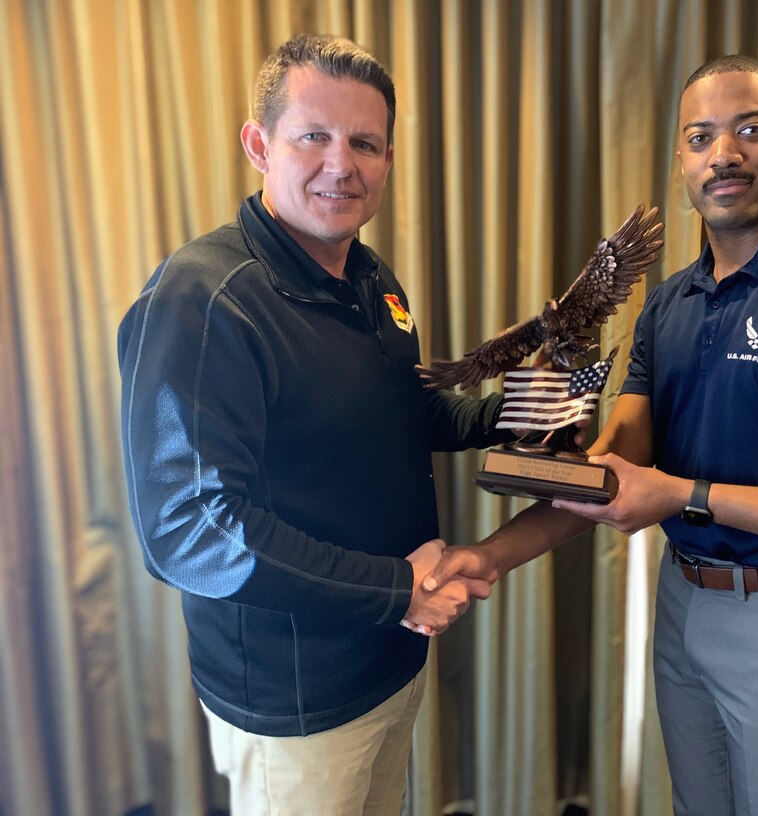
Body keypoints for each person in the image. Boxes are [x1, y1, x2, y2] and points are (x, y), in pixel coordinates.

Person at [417, 55, 758, 815]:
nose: (723, 153)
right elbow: (614, 468)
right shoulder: (668, 307)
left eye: (749, 130)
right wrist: (489, 554)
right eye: (701, 138)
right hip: (685, 600)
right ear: (682, 163)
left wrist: (685, 495)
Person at [118, 34, 508, 815]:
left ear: (389, 159)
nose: (343, 164)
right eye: (314, 137)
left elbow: (401, 409)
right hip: (295, 705)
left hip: (391, 654)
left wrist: (511, 414)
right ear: (260, 146)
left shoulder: (370, 276)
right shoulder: (206, 300)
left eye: (365, 143)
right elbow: (187, 529)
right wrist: (397, 587)